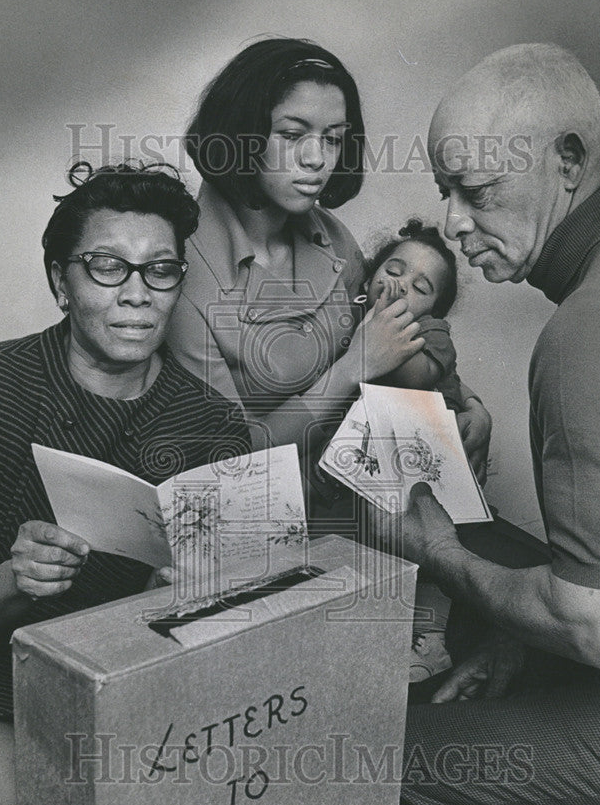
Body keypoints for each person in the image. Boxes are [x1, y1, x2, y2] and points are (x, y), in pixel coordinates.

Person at [0, 162, 251, 805]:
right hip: (2, 685)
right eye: (107, 266)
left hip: (147, 705)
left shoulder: (214, 425)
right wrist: (14, 577)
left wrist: (189, 594)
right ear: (60, 279)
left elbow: (226, 639)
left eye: (161, 269)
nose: (137, 292)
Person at [398, 43, 600, 805]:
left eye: (476, 189)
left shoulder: (590, 329)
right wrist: (531, 643)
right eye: (446, 191)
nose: (452, 221)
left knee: (378, 754)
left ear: (569, 161)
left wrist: (435, 549)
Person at [167, 37, 492, 492]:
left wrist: (471, 406)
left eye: (333, 139)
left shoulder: (332, 236)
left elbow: (397, 333)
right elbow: (231, 455)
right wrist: (349, 370)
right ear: (240, 136)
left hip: (358, 490)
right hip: (258, 510)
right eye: (292, 135)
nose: (317, 159)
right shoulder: (179, 269)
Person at [359, 217, 466, 410]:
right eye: (393, 272)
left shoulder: (433, 333)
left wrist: (384, 322)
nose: (401, 285)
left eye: (420, 288)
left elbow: (416, 379)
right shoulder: (354, 309)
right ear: (368, 280)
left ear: (434, 311)